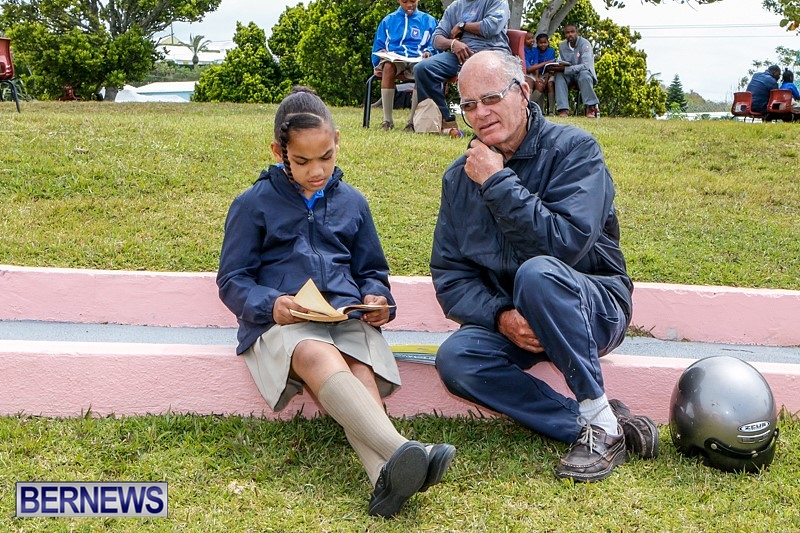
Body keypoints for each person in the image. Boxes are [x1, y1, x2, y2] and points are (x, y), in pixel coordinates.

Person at [217, 86, 455, 518]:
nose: (317, 170)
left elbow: (372, 271)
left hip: (345, 318)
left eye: (326, 157)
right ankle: (404, 448)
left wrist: (378, 300)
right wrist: (272, 304)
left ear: (338, 141)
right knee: (317, 353)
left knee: (359, 367)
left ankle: (383, 478)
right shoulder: (253, 204)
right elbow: (232, 281)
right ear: (279, 152)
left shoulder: (353, 203)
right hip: (285, 326)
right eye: (302, 160)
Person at [430, 51, 658, 483]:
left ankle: (599, 423)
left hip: (591, 306)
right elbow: (451, 276)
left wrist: (497, 182)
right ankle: (600, 423)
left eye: (491, 98)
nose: (480, 114)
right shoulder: (459, 178)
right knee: (457, 358)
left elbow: (564, 245)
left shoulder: (575, 151)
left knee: (538, 274)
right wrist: (502, 317)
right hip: (519, 318)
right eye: (469, 105)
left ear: (523, 92)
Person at [412, 0, 510, 132]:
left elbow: (491, 27)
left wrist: (462, 26)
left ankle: (494, 123)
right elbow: (436, 39)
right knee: (423, 68)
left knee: (481, 69)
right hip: (461, 56)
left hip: (491, 53)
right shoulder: (455, 7)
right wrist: (453, 44)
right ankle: (445, 122)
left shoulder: (496, 1)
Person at [371, 0, 438, 132]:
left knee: (421, 70)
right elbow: (378, 46)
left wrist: (429, 52)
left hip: (418, 59)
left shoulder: (429, 21)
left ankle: (411, 122)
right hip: (396, 58)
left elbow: (436, 44)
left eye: (413, 1)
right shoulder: (388, 21)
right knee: (388, 67)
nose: (409, 5)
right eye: (405, 1)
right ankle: (387, 120)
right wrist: (381, 53)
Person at [550, 23, 599, 118]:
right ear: (565, 34)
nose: (570, 34)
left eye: (572, 32)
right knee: (559, 75)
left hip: (583, 73)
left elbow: (585, 66)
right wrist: (557, 66)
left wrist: (567, 69)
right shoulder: (562, 46)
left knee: (584, 75)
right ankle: (563, 109)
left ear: (577, 32)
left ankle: (590, 107)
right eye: (567, 32)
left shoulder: (585, 44)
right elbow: (563, 61)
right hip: (569, 74)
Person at [524, 31, 556, 115]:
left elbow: (538, 65)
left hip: (548, 73)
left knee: (548, 84)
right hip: (528, 73)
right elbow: (530, 68)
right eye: (540, 43)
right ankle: (532, 108)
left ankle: (551, 111)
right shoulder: (528, 50)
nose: (543, 45)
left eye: (532, 38)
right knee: (534, 83)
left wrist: (538, 77)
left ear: (548, 42)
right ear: (537, 43)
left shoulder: (547, 51)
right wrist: (537, 77)